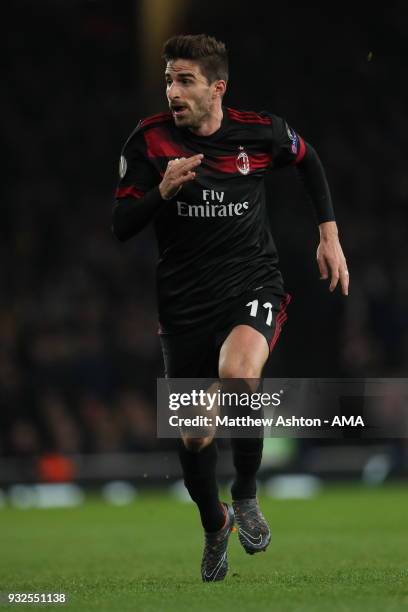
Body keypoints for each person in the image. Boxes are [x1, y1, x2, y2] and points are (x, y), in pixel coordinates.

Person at [112, 33, 349, 582]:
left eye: (185, 79)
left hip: (252, 285)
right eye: (169, 78)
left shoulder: (259, 130)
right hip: (183, 306)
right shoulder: (148, 142)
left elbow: (308, 159)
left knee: (239, 372)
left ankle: (244, 494)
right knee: (195, 435)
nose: (173, 89)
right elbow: (121, 227)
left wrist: (329, 235)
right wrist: (161, 193)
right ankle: (214, 521)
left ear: (216, 88)